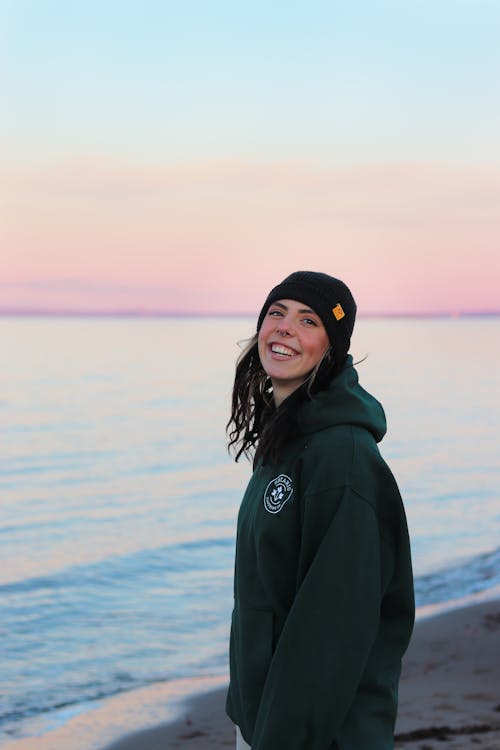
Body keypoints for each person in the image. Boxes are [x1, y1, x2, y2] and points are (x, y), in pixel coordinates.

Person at [225, 271, 414, 750]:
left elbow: (331, 628)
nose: (285, 328)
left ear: (331, 349)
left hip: (323, 735)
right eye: (276, 313)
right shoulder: (286, 442)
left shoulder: (343, 458)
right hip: (274, 720)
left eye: (308, 320)